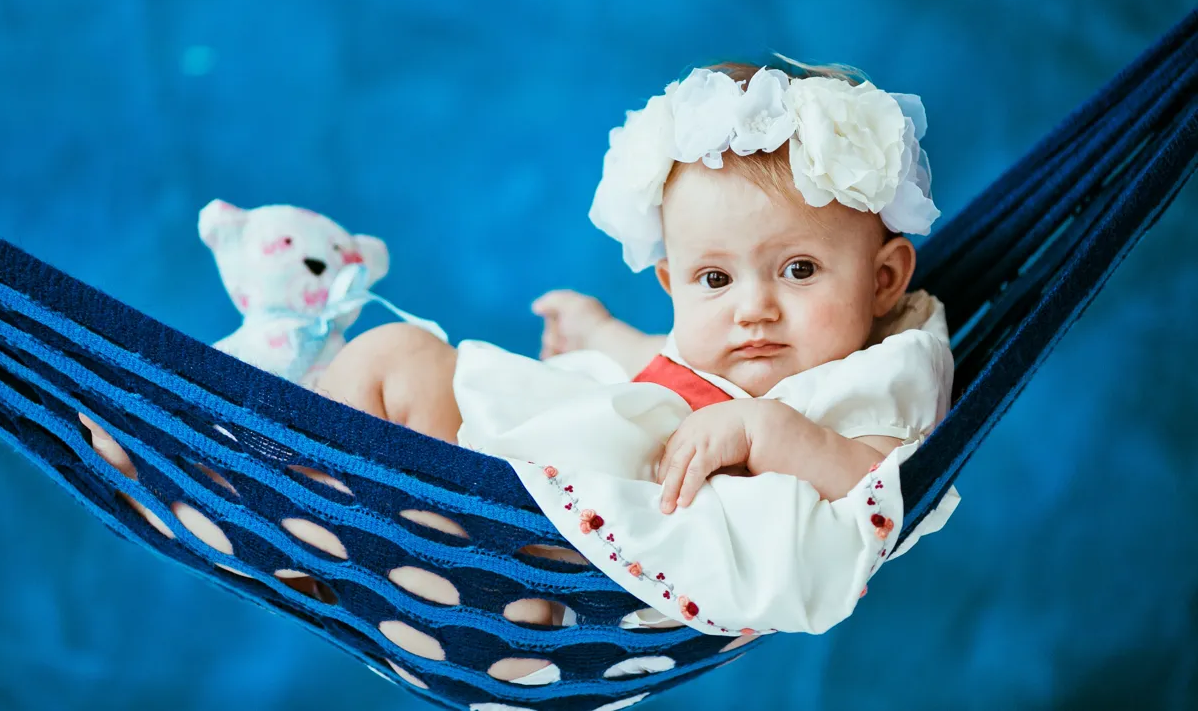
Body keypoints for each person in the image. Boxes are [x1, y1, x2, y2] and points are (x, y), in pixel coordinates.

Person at [316, 60, 959, 643]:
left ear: (882, 280)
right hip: (512, 478)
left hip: (563, 547)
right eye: (715, 279)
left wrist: (766, 430)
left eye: (798, 269)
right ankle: (310, 511)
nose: (753, 308)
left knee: (491, 572)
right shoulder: (721, 347)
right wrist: (597, 331)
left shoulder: (880, 374)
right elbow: (661, 360)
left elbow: (882, 492)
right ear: (672, 284)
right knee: (393, 356)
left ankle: (398, 572)